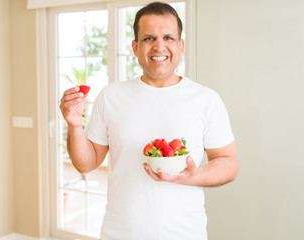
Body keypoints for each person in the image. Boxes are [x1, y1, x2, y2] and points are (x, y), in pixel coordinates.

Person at [59, 2, 239, 240]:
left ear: (181, 45)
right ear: (135, 47)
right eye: (148, 38)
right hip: (119, 233)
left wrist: (195, 176)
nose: (159, 46)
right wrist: (74, 125)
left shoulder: (206, 100)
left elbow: (229, 163)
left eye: (168, 37)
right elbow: (86, 164)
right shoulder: (111, 96)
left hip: (185, 234)